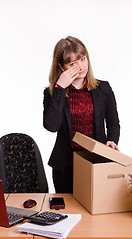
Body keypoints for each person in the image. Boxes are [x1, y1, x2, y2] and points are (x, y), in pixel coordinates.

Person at [43, 36, 120, 193]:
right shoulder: (52, 93)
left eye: (83, 59)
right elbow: (51, 126)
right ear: (62, 67)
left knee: (96, 213)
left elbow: (113, 123)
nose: (80, 66)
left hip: (97, 163)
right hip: (65, 167)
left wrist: (112, 140)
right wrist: (60, 88)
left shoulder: (103, 88)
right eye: (72, 63)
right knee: (68, 214)